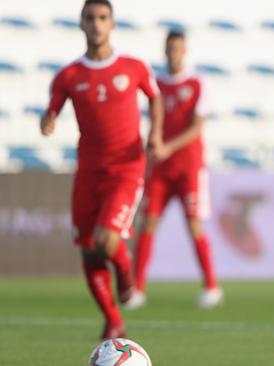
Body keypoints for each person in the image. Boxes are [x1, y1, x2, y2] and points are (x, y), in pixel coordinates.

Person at [41, 0, 163, 339]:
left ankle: (126, 280)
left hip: (126, 167)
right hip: (88, 172)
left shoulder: (133, 67)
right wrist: (47, 121)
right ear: (81, 24)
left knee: (106, 239)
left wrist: (154, 133)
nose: (96, 24)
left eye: (102, 18)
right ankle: (112, 318)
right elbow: (51, 110)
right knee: (88, 249)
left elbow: (154, 99)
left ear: (112, 24)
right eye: (90, 18)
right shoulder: (68, 75)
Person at [125, 30, 222, 310]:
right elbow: (152, 119)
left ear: (185, 50)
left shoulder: (197, 82)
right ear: (164, 50)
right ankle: (137, 288)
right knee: (148, 223)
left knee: (194, 226)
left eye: (178, 48)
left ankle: (211, 286)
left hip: (189, 167)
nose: (174, 53)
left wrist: (168, 146)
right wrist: (153, 145)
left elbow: (197, 127)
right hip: (160, 169)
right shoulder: (156, 83)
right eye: (170, 48)